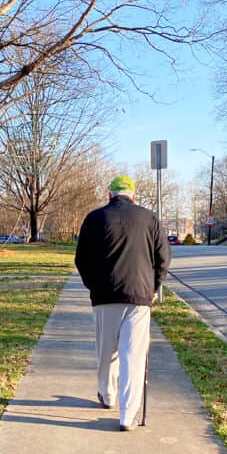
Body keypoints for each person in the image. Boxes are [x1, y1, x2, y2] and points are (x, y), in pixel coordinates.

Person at [75, 174, 171, 431]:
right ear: (133, 195)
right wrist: (154, 287)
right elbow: (163, 257)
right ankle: (127, 415)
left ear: (109, 195)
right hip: (139, 296)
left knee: (106, 350)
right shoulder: (149, 218)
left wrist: (92, 284)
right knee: (133, 355)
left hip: (104, 296)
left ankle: (107, 395)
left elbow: (81, 259)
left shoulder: (94, 218)